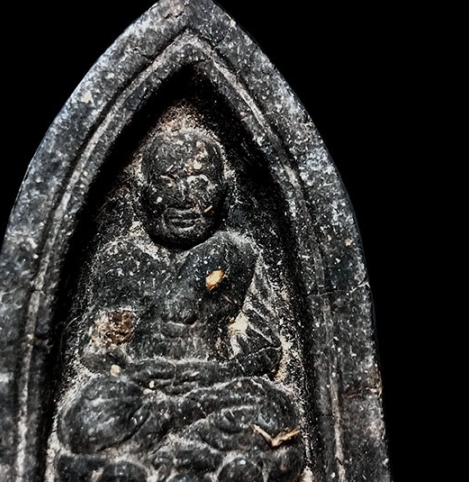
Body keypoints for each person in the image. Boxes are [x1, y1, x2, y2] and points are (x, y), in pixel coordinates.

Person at [58, 127, 301, 462]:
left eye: (200, 182)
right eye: (168, 182)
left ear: (224, 190)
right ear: (141, 192)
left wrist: (219, 374)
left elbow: (266, 347)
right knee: (86, 416)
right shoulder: (119, 259)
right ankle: (195, 454)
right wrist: (136, 374)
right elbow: (96, 350)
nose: (184, 197)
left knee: (275, 411)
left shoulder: (239, 255)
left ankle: (159, 451)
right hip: (140, 393)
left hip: (215, 390)